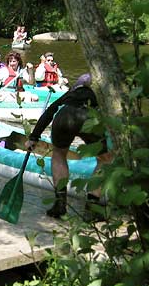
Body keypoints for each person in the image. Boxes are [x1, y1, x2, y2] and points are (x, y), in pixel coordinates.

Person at [26, 73, 112, 219]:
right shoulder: (102, 93)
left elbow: (50, 111)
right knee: (105, 159)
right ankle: (92, 208)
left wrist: (34, 137)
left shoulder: (70, 93)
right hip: (88, 117)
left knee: (59, 153)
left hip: (64, 116)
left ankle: (60, 204)